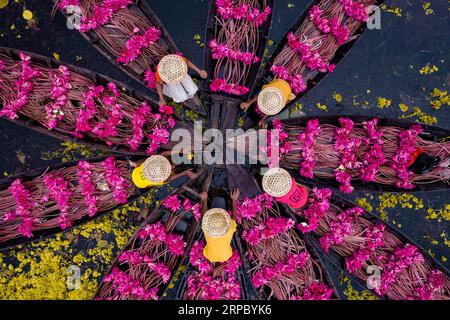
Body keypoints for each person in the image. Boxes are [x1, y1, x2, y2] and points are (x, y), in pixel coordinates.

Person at [200, 188, 240, 263]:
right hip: (213, 216)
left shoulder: (227, 256)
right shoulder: (208, 256)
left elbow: (234, 218)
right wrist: (204, 200)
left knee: (219, 200)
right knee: (218, 200)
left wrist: (234, 200)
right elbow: (204, 216)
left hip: (220, 216)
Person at [130, 153, 197, 189]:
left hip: (135, 173)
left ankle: (135, 163)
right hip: (141, 184)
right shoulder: (159, 180)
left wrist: (180, 151)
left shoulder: (153, 161)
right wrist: (184, 172)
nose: (172, 166)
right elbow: (169, 179)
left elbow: (163, 154)